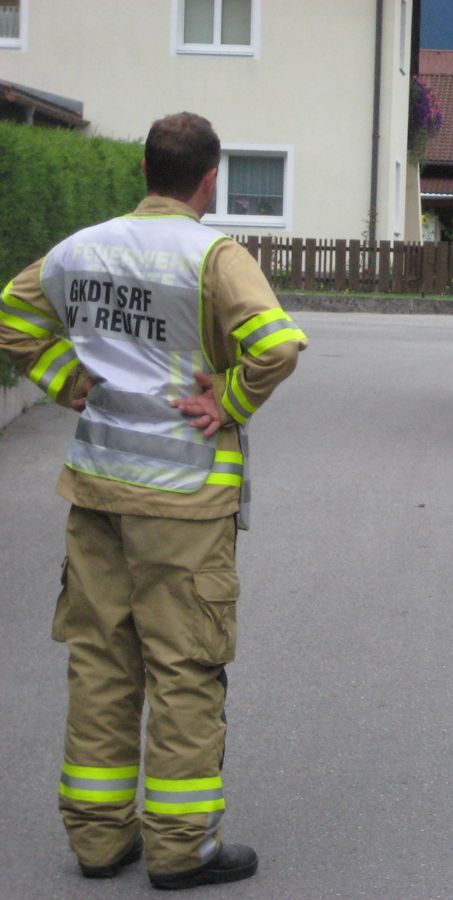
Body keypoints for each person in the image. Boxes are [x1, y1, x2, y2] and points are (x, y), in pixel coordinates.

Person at [0, 112, 306, 889]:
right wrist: (229, 399)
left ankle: (100, 841)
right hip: (184, 502)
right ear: (210, 180)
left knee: (102, 663)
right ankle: (181, 849)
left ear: (143, 171)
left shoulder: (80, 249)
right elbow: (277, 344)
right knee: (185, 668)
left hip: (98, 491)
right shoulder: (213, 254)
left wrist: (67, 379)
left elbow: (11, 313)